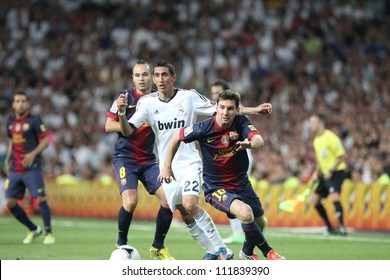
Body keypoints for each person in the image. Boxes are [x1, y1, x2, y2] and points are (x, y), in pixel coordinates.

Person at [116, 59, 273, 260]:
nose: (160, 79)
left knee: (190, 204)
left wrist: (254, 110)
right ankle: (213, 250)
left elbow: (222, 109)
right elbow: (128, 131)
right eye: (157, 75)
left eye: (165, 75)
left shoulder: (188, 97)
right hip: (167, 165)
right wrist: (121, 113)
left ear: (173, 77)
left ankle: (221, 249)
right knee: (184, 211)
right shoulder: (146, 103)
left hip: (189, 162)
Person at [159, 89, 285, 260]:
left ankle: (246, 252)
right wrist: (167, 166)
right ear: (216, 108)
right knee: (246, 214)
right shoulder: (204, 128)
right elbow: (176, 137)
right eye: (222, 108)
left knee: (261, 222)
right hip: (216, 187)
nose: (225, 112)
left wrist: (249, 144)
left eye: (230, 109)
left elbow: (259, 140)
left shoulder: (241, 122)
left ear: (237, 110)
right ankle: (269, 252)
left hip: (242, 183)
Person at [105, 60, 175, 260]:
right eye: (137, 75)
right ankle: (121, 243)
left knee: (168, 201)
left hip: (148, 160)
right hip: (125, 158)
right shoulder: (124, 98)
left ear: (151, 77)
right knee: (131, 201)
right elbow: (108, 126)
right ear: (133, 78)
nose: (141, 79)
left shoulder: (159, 98)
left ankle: (158, 247)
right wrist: (132, 123)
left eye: (145, 75)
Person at [5, 90, 55, 245]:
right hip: (15, 168)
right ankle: (33, 228)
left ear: (27, 104)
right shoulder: (10, 122)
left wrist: (33, 154)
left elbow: (45, 141)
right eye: (17, 101)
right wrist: (7, 160)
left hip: (31, 168)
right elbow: (11, 142)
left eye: (23, 101)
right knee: (10, 203)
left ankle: (48, 233)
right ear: (13, 104)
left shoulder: (34, 120)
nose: (20, 104)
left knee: (40, 198)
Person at [209, 79, 251, 244]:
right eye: (212, 94)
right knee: (230, 194)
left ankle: (248, 223)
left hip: (239, 153)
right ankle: (240, 230)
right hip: (225, 156)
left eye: (217, 93)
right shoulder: (214, 111)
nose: (213, 97)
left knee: (234, 192)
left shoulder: (234, 113)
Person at [308, 113, 347, 235]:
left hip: (336, 172)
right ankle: (330, 227)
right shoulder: (316, 140)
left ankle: (341, 226)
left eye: (313, 122)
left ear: (321, 122)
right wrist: (315, 173)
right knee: (315, 201)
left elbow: (341, 155)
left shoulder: (330, 136)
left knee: (334, 197)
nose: (311, 125)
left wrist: (331, 171)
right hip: (324, 174)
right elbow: (320, 161)